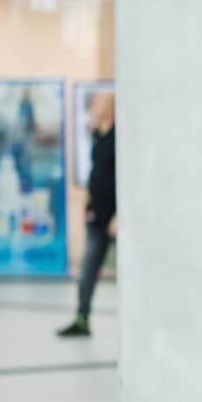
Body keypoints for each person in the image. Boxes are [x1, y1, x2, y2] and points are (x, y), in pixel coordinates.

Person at [57, 92, 116, 338]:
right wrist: (87, 204)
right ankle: (82, 319)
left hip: (116, 220)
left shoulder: (119, 137)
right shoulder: (97, 135)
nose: (92, 106)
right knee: (87, 270)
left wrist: (119, 216)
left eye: (97, 103)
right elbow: (96, 173)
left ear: (109, 106)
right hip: (97, 216)